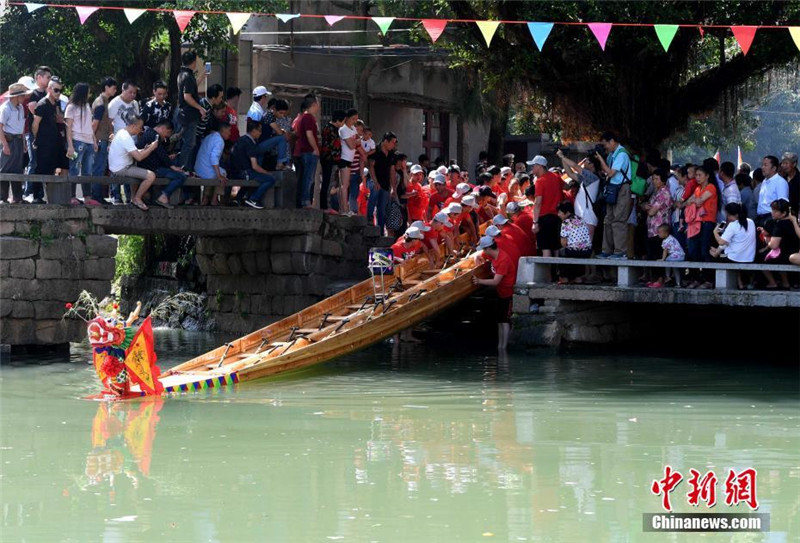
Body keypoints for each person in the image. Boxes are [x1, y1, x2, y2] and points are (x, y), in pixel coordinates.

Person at [107, 111, 158, 211]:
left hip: (120, 166)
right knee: (151, 175)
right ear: (134, 126)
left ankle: (133, 198)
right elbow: (138, 157)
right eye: (140, 127)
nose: (141, 130)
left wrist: (144, 149)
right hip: (121, 168)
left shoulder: (122, 133)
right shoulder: (126, 137)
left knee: (139, 170)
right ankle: (137, 199)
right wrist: (151, 148)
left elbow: (132, 152)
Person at [473, 236, 516, 351]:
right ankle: (499, 346)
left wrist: (479, 281)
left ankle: (504, 347)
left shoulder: (503, 259)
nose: (483, 251)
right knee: (499, 320)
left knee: (504, 321)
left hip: (507, 293)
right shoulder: (492, 254)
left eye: (483, 249)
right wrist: (478, 263)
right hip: (499, 292)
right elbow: (477, 255)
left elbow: (495, 281)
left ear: (488, 248)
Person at [596, 132, 633, 259]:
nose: (604, 147)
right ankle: (607, 250)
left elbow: (611, 173)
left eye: (605, 144)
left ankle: (620, 252)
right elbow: (606, 173)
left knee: (619, 220)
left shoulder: (622, 154)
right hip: (613, 188)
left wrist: (600, 158)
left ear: (612, 141)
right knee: (608, 220)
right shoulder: (612, 155)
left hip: (622, 189)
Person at [135, 120, 186, 209]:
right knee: (181, 176)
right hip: (153, 168)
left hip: (147, 167)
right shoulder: (155, 136)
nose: (167, 136)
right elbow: (161, 153)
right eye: (168, 133)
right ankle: (164, 196)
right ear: (163, 128)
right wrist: (172, 166)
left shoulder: (149, 133)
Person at [64, 82, 100, 205]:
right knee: (74, 168)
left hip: (89, 141)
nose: (90, 94)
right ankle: (71, 196)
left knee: (88, 170)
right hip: (76, 140)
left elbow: (89, 125)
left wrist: (94, 140)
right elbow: (68, 128)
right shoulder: (71, 107)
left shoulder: (87, 106)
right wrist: (70, 145)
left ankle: (87, 197)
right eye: (88, 92)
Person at [230, 119, 277, 209]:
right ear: (253, 130)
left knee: (256, 177)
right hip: (245, 172)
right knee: (270, 179)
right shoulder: (250, 143)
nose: (260, 133)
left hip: (235, 171)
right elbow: (255, 166)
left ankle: (239, 198)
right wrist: (267, 173)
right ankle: (253, 199)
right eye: (259, 130)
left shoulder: (241, 139)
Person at [684, 165, 718, 289]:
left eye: (700, 175)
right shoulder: (698, 188)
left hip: (707, 223)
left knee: (705, 251)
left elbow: (697, 201)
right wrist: (694, 200)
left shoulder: (711, 187)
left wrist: (693, 201)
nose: (697, 177)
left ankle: (708, 280)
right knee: (693, 250)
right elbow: (688, 202)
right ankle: (696, 278)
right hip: (696, 223)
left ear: (707, 176)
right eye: (696, 175)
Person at [31, 79, 65, 201]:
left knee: (51, 169)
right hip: (43, 143)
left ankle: (48, 197)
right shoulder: (42, 104)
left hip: (53, 143)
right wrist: (37, 138)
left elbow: (57, 120)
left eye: (60, 90)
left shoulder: (55, 104)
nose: (58, 93)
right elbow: (35, 124)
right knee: (40, 169)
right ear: (49, 89)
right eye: (56, 90)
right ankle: (37, 196)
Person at [709, 202, 756, 288]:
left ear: (736, 215)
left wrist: (715, 232)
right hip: (749, 257)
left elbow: (721, 242)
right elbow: (729, 242)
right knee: (721, 252)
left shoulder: (733, 225)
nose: (727, 217)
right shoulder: (751, 222)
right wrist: (718, 251)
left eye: (729, 215)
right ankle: (740, 284)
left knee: (711, 255)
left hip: (734, 258)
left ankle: (712, 283)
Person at [107, 81, 139, 203]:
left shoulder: (135, 103)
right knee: (116, 168)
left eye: (134, 93)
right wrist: (111, 139)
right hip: (118, 141)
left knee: (130, 167)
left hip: (132, 140)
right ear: (123, 90)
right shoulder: (114, 103)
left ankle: (129, 196)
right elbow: (109, 122)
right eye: (130, 92)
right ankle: (116, 196)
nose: (132, 95)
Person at [557, 149, 601, 236]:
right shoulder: (586, 178)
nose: (584, 163)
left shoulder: (592, 177)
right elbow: (570, 173)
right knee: (580, 244)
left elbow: (574, 166)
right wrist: (563, 158)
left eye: (586, 161)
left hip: (588, 217)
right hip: (582, 216)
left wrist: (562, 156)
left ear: (591, 164)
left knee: (586, 245)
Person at [24, 66, 52, 201]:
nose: (49, 80)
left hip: (46, 136)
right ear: (39, 77)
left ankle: (39, 195)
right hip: (34, 135)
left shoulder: (49, 95)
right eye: (47, 77)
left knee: (43, 164)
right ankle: (28, 192)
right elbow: (35, 112)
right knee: (33, 162)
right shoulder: (33, 94)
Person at [0, 82, 31, 203]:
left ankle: (17, 197)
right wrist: (5, 145)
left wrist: (23, 143)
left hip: (18, 140)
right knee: (4, 169)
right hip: (8, 140)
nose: (24, 98)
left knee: (18, 169)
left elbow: (21, 127)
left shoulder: (21, 108)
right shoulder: (5, 108)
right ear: (16, 96)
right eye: (22, 95)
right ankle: (3, 197)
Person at [528, 155, 563, 258]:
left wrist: (535, 222)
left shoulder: (540, 181)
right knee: (556, 247)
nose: (532, 168)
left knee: (545, 247)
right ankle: (557, 272)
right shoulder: (556, 176)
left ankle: (546, 274)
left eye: (533, 166)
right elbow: (566, 186)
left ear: (539, 166)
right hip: (557, 217)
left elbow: (538, 202)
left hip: (544, 217)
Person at [760, 199, 799, 289]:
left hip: (786, 256)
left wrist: (766, 238)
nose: (772, 213)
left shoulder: (780, 225)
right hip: (794, 253)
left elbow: (774, 245)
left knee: (761, 258)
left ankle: (772, 282)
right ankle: (785, 282)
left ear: (784, 213)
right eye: (772, 210)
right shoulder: (794, 221)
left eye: (775, 211)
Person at [176, 51, 205, 171]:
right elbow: (187, 96)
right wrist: (200, 108)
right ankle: (181, 167)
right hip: (189, 114)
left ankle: (182, 166)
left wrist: (202, 77)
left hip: (184, 113)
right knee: (189, 143)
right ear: (193, 62)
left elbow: (191, 89)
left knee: (185, 142)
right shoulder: (187, 76)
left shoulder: (183, 74)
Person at [91, 77, 117, 199]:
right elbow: (94, 124)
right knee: (99, 168)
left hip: (103, 139)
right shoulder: (101, 103)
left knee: (100, 168)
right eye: (114, 88)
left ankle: (98, 196)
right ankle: (96, 197)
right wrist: (93, 140)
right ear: (106, 87)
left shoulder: (104, 101)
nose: (115, 90)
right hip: (100, 139)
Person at [292, 94, 320, 208]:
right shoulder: (308, 118)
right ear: (313, 105)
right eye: (317, 104)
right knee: (308, 178)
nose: (318, 107)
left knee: (306, 177)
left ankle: (304, 201)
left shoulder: (303, 117)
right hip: (309, 152)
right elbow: (309, 135)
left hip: (304, 152)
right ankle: (305, 201)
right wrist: (316, 149)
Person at [194, 121, 231, 206]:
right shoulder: (220, 141)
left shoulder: (210, 136)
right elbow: (214, 158)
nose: (230, 133)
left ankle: (205, 198)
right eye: (229, 131)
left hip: (198, 168)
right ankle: (214, 199)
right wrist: (219, 175)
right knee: (222, 173)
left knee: (214, 173)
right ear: (223, 130)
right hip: (205, 170)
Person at [368, 132, 398, 231]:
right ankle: (368, 223)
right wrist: (375, 182)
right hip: (374, 181)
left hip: (385, 184)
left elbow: (392, 171)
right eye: (393, 142)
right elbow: (371, 166)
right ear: (385, 141)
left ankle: (380, 231)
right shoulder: (375, 150)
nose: (394, 145)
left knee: (382, 210)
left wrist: (393, 188)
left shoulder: (391, 154)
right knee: (372, 202)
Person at [643, 169, 673, 263]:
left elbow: (651, 211)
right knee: (652, 253)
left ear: (663, 180)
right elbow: (646, 206)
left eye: (656, 179)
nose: (654, 181)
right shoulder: (656, 192)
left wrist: (647, 208)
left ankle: (660, 277)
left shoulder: (664, 193)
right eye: (653, 179)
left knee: (658, 254)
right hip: (652, 229)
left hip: (660, 229)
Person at [319, 109, 345, 211]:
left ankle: (326, 206)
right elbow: (330, 147)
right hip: (329, 160)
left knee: (329, 184)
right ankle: (325, 206)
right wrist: (337, 160)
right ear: (338, 120)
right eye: (343, 121)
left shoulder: (330, 128)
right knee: (327, 184)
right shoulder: (330, 129)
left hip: (330, 160)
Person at [337, 108, 361, 215]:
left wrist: (355, 141)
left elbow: (358, 141)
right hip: (344, 158)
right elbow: (351, 145)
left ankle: (344, 209)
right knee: (344, 185)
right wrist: (355, 141)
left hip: (350, 159)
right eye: (353, 119)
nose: (354, 121)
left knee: (346, 185)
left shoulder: (353, 128)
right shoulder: (343, 129)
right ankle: (344, 209)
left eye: (356, 119)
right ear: (347, 118)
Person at [755, 155, 789, 227]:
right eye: (762, 165)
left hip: (771, 219)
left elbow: (782, 204)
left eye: (765, 165)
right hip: (760, 218)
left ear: (774, 168)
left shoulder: (780, 182)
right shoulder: (764, 181)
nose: (762, 167)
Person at [649, 224, 685, 288]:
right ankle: (678, 284)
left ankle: (667, 276)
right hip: (681, 255)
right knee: (675, 269)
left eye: (660, 232)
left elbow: (665, 251)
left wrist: (663, 259)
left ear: (666, 233)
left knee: (666, 261)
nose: (658, 234)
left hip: (676, 256)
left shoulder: (666, 241)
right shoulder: (672, 238)